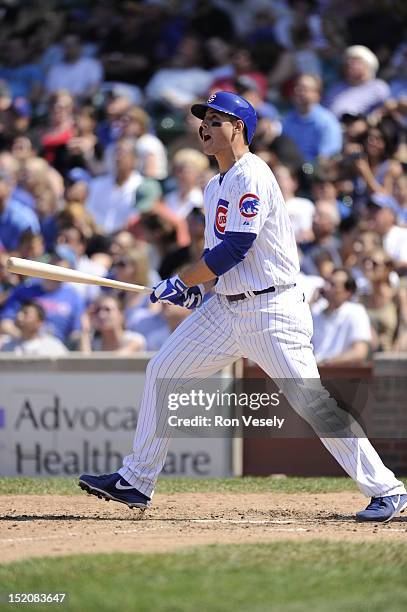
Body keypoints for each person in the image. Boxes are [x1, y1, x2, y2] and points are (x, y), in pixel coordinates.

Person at [79, 91, 407, 523]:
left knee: (312, 401)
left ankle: (388, 490)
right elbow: (218, 255)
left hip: (273, 309)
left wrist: (181, 280)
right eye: (204, 120)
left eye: (217, 120)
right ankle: (137, 480)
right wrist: (195, 290)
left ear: (240, 128)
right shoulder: (215, 184)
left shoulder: (252, 173)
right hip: (227, 309)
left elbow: (237, 246)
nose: (206, 127)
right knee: (163, 371)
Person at [311, 268, 372, 365]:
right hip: (314, 372)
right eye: (327, 282)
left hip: (340, 376)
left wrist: (327, 363)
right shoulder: (315, 311)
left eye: (333, 285)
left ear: (348, 292)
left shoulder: (356, 311)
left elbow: (359, 352)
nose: (326, 288)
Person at [282, 74, 342, 164]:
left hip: (315, 172)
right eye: (297, 87)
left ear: (317, 95)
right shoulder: (287, 119)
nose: (299, 91)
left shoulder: (327, 121)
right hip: (289, 169)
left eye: (304, 89)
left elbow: (327, 158)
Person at [324, 45, 390, 118]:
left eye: (355, 61)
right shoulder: (335, 87)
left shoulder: (378, 88)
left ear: (368, 65)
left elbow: (386, 111)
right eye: (348, 61)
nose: (350, 64)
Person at [0, 301, 67, 356]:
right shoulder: (6, 345)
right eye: (19, 313)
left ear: (39, 322)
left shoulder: (53, 347)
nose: (19, 316)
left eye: (25, 313)